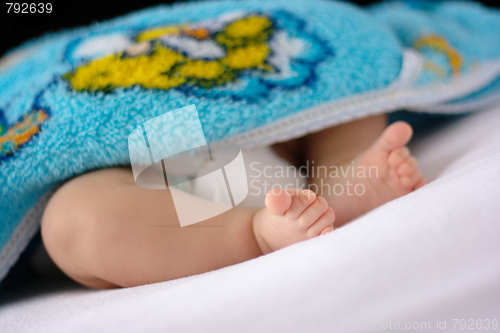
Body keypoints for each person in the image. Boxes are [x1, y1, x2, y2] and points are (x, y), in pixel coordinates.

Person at [41, 114, 425, 288]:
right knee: (71, 222)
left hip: (265, 128)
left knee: (345, 97)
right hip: (146, 188)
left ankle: (339, 175)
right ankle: (253, 234)